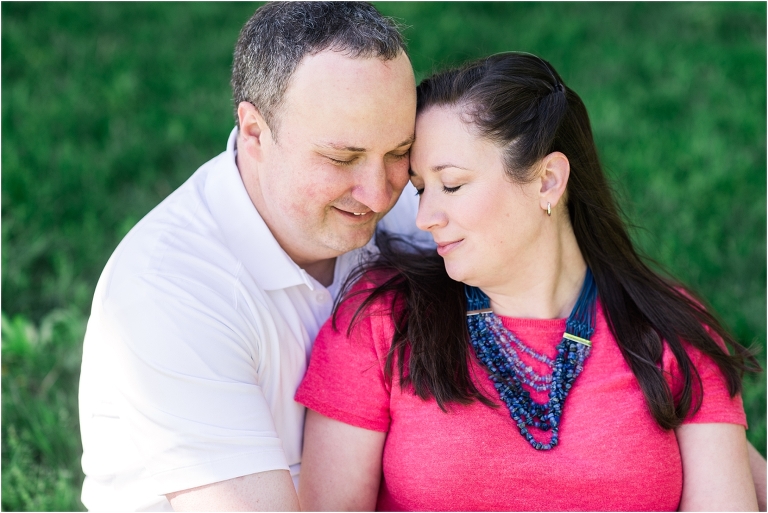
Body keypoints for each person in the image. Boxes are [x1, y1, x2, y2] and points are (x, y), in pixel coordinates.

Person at [295, 52, 764, 511]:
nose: (424, 218)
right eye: (421, 189)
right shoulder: (382, 321)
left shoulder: (670, 331)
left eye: (452, 184)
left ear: (547, 180)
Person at [77, 2, 426, 510]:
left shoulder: (407, 206)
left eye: (399, 152)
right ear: (255, 132)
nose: (379, 194)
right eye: (340, 158)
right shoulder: (169, 292)